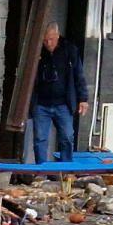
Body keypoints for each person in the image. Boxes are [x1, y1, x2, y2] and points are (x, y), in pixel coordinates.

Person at [27, 22, 87, 164]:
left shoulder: (69, 50)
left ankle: (65, 170)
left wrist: (83, 98)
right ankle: (41, 171)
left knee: (67, 137)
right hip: (41, 103)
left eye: (51, 39)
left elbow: (79, 75)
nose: (48, 43)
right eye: (45, 40)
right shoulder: (37, 51)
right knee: (40, 138)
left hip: (63, 103)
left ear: (58, 36)